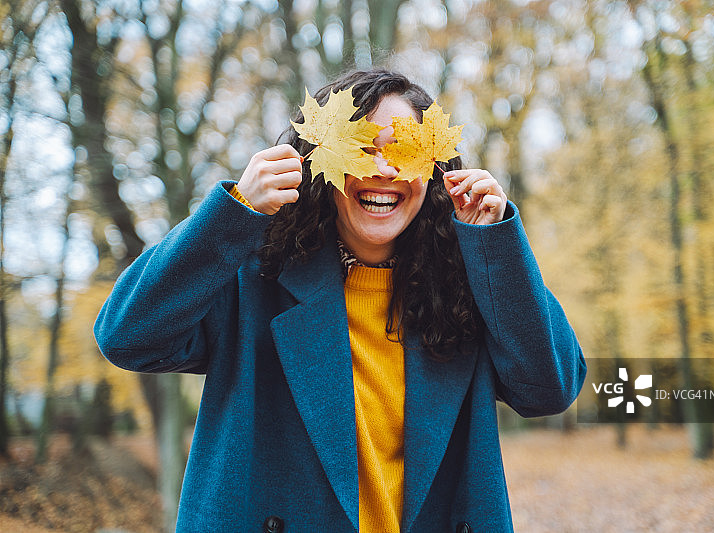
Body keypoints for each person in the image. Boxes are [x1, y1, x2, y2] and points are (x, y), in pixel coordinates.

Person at [94, 68, 586, 533]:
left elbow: (550, 388)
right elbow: (127, 336)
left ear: (436, 170)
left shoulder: (468, 284)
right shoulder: (254, 276)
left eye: (407, 151)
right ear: (317, 164)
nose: (383, 169)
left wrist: (496, 247)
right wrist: (234, 214)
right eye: (359, 148)